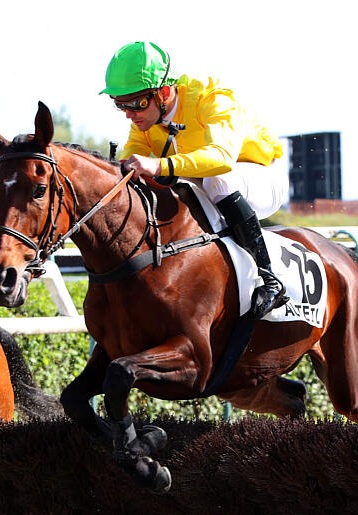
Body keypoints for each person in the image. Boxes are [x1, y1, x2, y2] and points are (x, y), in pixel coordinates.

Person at [100, 41, 288, 320]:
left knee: (216, 180)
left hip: (258, 176)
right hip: (204, 178)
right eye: (120, 105)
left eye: (136, 104)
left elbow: (222, 158)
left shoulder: (212, 97)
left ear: (164, 93)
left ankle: (270, 279)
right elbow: (132, 157)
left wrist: (160, 165)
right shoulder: (145, 121)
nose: (129, 113)